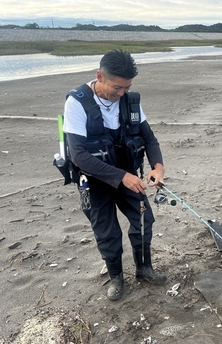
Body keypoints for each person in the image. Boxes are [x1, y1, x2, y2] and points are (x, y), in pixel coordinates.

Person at [63, 49, 167, 301]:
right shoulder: (76, 103)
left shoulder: (130, 102)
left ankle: (144, 269)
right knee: (107, 232)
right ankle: (117, 277)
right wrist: (121, 177)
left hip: (129, 176)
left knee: (144, 222)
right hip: (95, 181)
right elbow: (78, 156)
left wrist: (158, 167)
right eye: (117, 87)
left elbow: (148, 138)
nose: (121, 93)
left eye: (127, 87)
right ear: (100, 76)